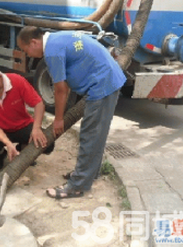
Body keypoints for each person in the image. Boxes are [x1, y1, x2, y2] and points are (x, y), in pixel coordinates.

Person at [17, 26, 126, 199]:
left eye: (26, 50)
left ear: (34, 42)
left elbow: (61, 89)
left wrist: (58, 119)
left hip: (103, 84)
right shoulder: (57, 38)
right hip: (107, 78)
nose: (28, 55)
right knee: (96, 134)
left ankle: (77, 186)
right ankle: (88, 174)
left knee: (90, 134)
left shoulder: (52, 51)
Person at [0, 61, 54, 171]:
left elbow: (38, 104)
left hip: (22, 125)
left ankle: (23, 148)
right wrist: (8, 144)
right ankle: (0, 155)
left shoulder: (17, 81)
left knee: (47, 144)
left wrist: (36, 128)